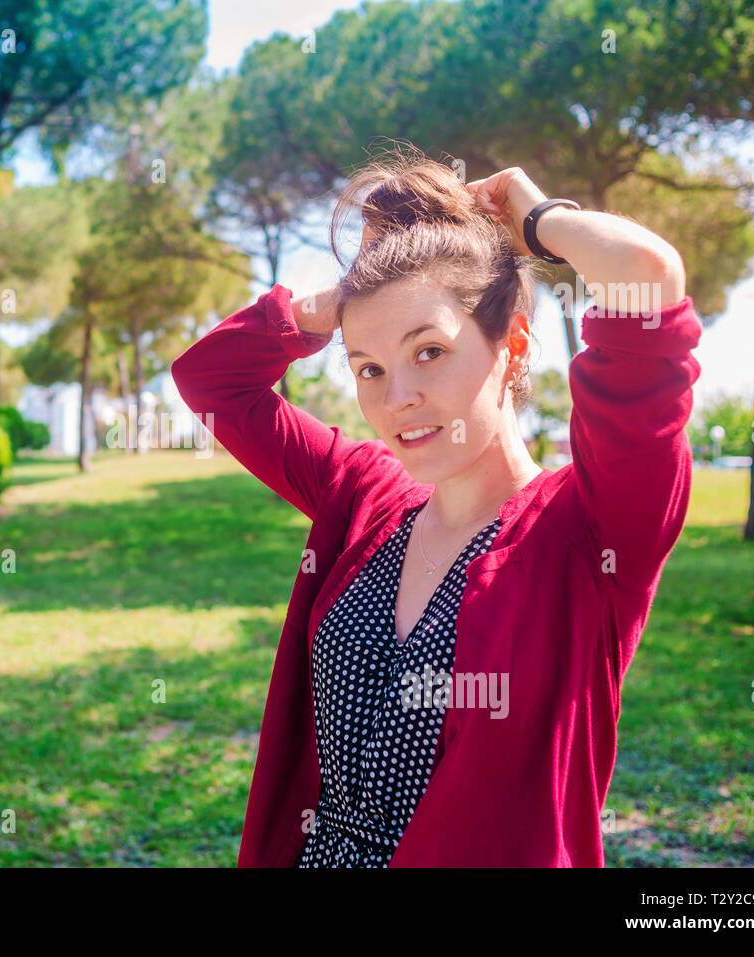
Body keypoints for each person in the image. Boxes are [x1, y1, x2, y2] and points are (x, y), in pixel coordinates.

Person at [169, 148, 703, 867]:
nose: (397, 402)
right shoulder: (363, 492)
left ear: (511, 346)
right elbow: (210, 382)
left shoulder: (591, 530)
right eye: (369, 369)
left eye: (428, 352)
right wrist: (344, 304)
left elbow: (648, 279)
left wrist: (535, 216)